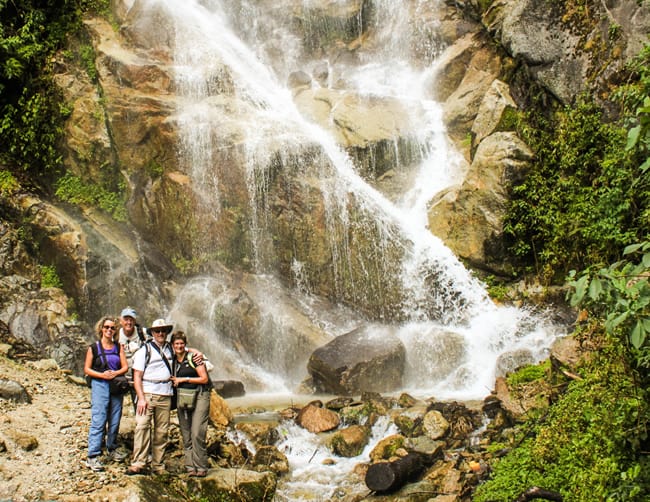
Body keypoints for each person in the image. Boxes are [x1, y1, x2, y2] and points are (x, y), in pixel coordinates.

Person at [127, 318, 175, 475]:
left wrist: (198, 353)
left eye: (163, 331)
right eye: (157, 331)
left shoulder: (171, 349)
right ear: (152, 333)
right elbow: (137, 376)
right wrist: (141, 398)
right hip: (147, 394)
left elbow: (187, 351)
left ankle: (158, 464)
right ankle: (138, 462)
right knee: (142, 426)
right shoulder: (144, 350)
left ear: (167, 332)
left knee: (162, 431)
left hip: (166, 394)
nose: (161, 333)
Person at [83, 316, 129, 471]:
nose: (109, 330)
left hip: (115, 384)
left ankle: (112, 448)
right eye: (107, 327)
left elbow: (125, 367)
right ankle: (93, 455)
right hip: (99, 383)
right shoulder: (93, 348)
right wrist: (102, 375)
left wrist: (114, 373)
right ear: (101, 329)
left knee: (115, 417)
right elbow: (87, 369)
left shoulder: (118, 347)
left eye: (112, 328)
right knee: (99, 417)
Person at [170, 331, 211, 477]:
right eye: (176, 344)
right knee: (186, 432)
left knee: (197, 432)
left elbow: (204, 379)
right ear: (172, 345)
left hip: (200, 395)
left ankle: (201, 466)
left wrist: (184, 379)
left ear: (185, 344)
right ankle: (190, 466)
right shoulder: (172, 359)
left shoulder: (194, 357)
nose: (179, 346)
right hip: (183, 398)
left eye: (182, 343)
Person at [117, 307, 148, 410]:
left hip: (138, 379)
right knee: (115, 408)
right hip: (121, 379)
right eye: (126, 319)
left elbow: (160, 342)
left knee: (141, 409)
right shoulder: (115, 335)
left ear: (135, 321)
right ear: (121, 321)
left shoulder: (143, 333)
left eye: (131, 320)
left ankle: (140, 425)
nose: (129, 322)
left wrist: (191, 350)